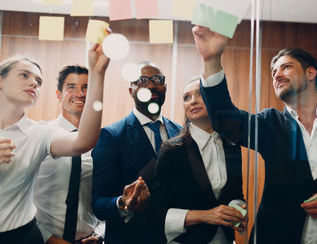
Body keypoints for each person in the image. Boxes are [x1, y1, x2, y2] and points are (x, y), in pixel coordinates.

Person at [192, 25, 317, 244]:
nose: (277, 75)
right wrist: (211, 61)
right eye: (273, 73)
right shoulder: (269, 123)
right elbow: (225, 121)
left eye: (286, 67)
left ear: (310, 73)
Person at [0, 44, 109, 244]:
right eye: (24, 75)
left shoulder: (40, 133)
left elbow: (83, 141)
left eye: (38, 81)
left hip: (23, 236)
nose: (33, 83)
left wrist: (98, 72)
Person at [91, 61, 181, 243]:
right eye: (141, 80)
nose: (151, 84)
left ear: (165, 87)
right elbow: (99, 203)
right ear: (131, 91)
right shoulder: (112, 136)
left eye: (157, 79)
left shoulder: (180, 133)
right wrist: (123, 203)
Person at [151, 77, 246, 244]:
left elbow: (236, 194)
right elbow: (157, 212)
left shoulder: (232, 145)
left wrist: (237, 210)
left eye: (200, 94)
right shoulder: (172, 150)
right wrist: (206, 215)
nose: (193, 101)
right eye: (187, 97)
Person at [34, 65, 105, 244]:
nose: (80, 93)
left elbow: (104, 195)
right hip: (42, 238)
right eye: (71, 87)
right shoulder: (40, 134)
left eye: (86, 87)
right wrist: (47, 238)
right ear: (59, 94)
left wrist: (99, 235)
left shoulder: (104, 141)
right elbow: (22, 195)